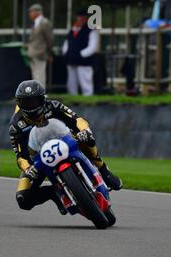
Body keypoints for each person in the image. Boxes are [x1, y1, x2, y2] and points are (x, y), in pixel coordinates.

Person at [9, 80, 122, 212]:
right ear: (18, 103)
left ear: (42, 99)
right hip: (39, 158)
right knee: (23, 199)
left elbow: (77, 120)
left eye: (33, 101)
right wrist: (28, 168)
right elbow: (20, 157)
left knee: (87, 139)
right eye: (25, 102)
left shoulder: (53, 105)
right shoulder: (16, 126)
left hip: (64, 141)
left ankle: (104, 170)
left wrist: (85, 131)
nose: (30, 106)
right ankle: (54, 194)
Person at [62, 10, 99, 96]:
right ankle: (72, 96)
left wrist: (81, 54)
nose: (80, 19)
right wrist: (66, 53)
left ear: (86, 19)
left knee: (85, 80)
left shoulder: (90, 31)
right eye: (79, 17)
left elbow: (92, 47)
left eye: (82, 17)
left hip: (84, 61)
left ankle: (88, 96)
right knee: (71, 82)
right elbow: (67, 43)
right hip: (71, 59)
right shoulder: (73, 30)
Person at [26, 4, 54, 88]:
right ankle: (36, 95)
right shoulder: (35, 23)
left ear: (37, 12)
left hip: (41, 53)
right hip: (33, 54)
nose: (30, 14)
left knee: (40, 75)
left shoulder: (44, 22)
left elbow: (50, 39)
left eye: (31, 12)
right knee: (35, 76)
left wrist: (49, 53)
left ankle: (41, 95)